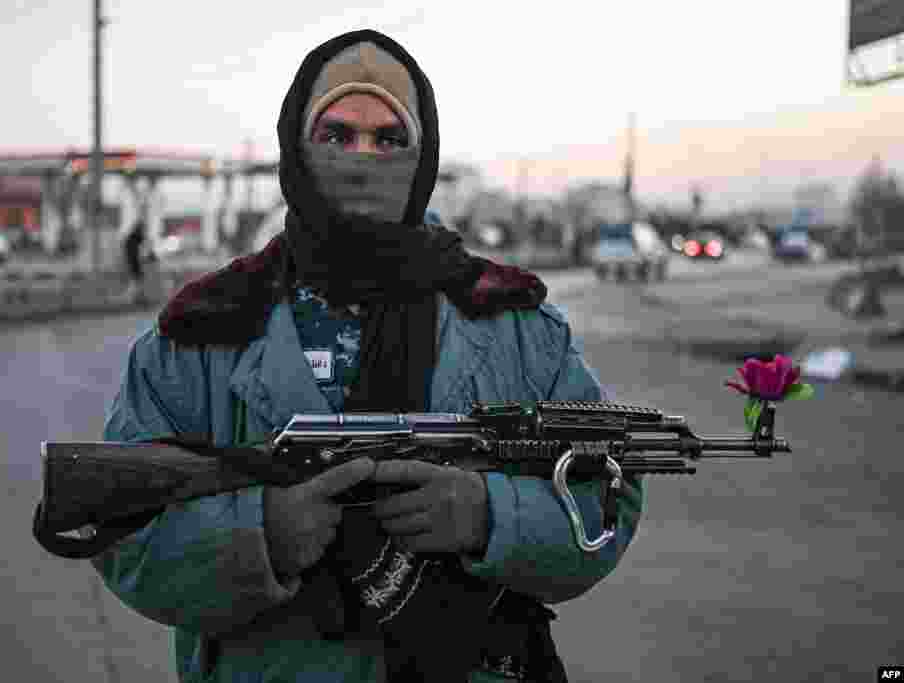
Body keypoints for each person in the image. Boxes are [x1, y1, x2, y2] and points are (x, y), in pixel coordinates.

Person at [94, 29, 643, 683]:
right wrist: (258, 536)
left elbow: (608, 495)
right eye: (337, 135)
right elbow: (119, 523)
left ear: (423, 154)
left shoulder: (514, 323)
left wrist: (489, 515)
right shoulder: (203, 331)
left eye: (389, 139)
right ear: (296, 149)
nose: (363, 158)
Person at [123, 219, 151, 303]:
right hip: (133, 260)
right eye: (143, 229)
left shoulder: (133, 236)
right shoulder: (135, 236)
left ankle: (137, 297)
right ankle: (132, 297)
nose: (144, 231)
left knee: (137, 279)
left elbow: (144, 245)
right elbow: (145, 245)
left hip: (132, 260)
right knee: (137, 279)